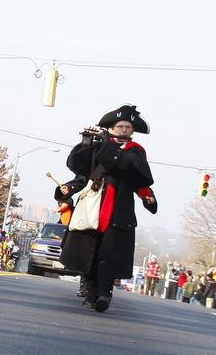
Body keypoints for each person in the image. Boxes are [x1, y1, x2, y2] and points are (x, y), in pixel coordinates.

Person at [55, 104, 155, 313]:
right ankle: (91, 292)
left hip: (119, 210)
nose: (125, 129)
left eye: (128, 126)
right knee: (90, 251)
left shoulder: (135, 151)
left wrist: (148, 198)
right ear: (111, 127)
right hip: (93, 208)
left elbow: (139, 175)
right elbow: (80, 169)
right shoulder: (99, 145)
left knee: (109, 253)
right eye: (120, 126)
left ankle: (104, 293)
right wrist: (85, 143)